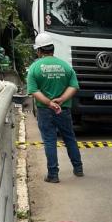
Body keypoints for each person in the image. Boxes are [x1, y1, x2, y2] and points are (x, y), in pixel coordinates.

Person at [27, 32, 84, 182]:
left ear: (39, 50)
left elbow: (34, 91)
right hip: (63, 109)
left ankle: (53, 174)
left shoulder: (34, 68)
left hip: (45, 110)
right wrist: (61, 99)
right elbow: (74, 86)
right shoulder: (65, 66)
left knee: (49, 141)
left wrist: (49, 103)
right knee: (69, 138)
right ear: (53, 48)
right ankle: (78, 168)